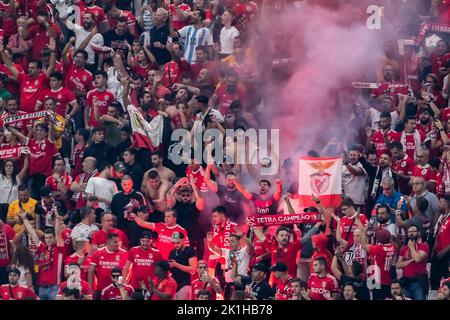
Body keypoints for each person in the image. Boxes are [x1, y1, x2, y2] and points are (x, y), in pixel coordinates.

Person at [21, 211, 65, 300]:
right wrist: (24, 219)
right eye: (46, 238)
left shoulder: (59, 249)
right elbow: (32, 233)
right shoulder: (42, 248)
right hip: (41, 287)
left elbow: (57, 233)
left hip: (54, 287)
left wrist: (56, 217)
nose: (48, 240)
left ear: (54, 238)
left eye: (50, 238)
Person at [357, 217, 396, 300]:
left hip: (378, 279)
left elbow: (363, 244)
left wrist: (365, 231)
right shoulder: (393, 247)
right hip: (388, 279)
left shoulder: (378, 249)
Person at [88, 232, 128, 299]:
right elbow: (91, 271)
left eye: (118, 242)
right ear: (108, 242)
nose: (117, 244)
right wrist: (91, 288)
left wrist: (123, 286)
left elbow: (125, 272)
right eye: (115, 242)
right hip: (101, 289)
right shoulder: (98, 253)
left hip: (118, 290)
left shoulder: (124, 254)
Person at [397, 224, 429, 300]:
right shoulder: (403, 249)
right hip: (406, 281)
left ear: (418, 233)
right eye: (409, 232)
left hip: (419, 281)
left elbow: (417, 259)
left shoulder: (424, 246)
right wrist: (411, 260)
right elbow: (398, 265)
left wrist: (411, 247)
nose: (411, 233)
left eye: (413, 231)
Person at [168, 231, 197, 300]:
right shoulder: (172, 252)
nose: (176, 245)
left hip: (185, 284)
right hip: (173, 284)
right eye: (174, 243)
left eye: (178, 242)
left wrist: (176, 265)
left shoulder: (190, 251)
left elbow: (193, 269)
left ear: (183, 240)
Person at [342, 146, 368, 211]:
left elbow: (355, 172)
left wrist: (346, 163)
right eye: (351, 155)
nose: (352, 157)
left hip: (358, 202)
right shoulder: (343, 167)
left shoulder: (363, 165)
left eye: (354, 155)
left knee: (358, 220)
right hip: (346, 200)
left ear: (358, 155)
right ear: (348, 155)